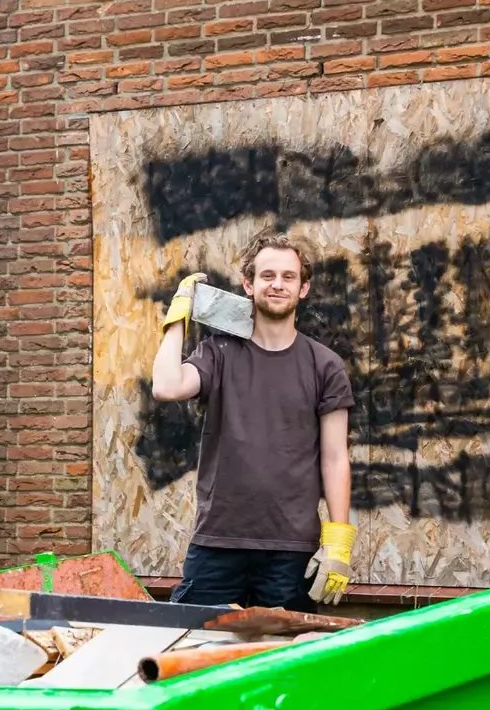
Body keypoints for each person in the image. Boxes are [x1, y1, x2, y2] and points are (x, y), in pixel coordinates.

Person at [151, 232, 357, 613]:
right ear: (249, 284)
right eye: (267, 276)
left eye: (288, 277)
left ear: (304, 288)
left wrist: (338, 540)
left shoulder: (324, 365)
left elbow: (334, 458)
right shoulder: (218, 352)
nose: (277, 284)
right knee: (195, 650)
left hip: (291, 549)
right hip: (219, 540)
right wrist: (178, 316)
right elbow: (166, 386)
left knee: (286, 664)